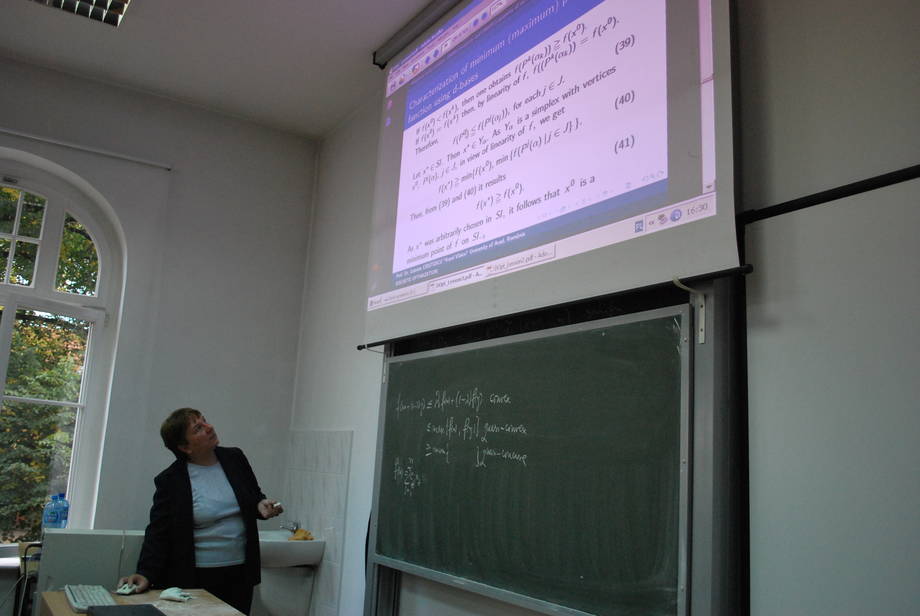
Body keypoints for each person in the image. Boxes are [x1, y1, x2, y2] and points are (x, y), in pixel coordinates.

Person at [118, 408, 283, 614]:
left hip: (241, 572)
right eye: (198, 428)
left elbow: (253, 495)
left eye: (205, 421)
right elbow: (159, 532)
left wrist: (261, 505)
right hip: (197, 576)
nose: (209, 427)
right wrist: (145, 573)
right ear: (185, 447)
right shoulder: (171, 480)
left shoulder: (235, 458)